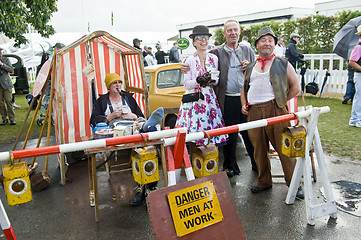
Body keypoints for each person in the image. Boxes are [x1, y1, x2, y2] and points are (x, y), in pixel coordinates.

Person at [181, 20, 257, 177]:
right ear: (224, 34)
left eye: (235, 30)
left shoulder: (246, 50)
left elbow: (256, 67)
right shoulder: (216, 52)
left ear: (240, 31)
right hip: (222, 98)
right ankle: (223, 167)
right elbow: (188, 81)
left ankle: (257, 164)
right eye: (229, 30)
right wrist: (195, 77)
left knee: (250, 133)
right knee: (228, 135)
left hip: (244, 98)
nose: (232, 33)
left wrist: (248, 66)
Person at [241, 26, 303, 199]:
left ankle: (295, 183)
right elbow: (243, 88)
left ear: (274, 44)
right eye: (263, 40)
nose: (266, 43)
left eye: (270, 40)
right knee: (259, 150)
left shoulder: (282, 63)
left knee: (284, 149)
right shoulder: (251, 65)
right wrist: (243, 104)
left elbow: (296, 87)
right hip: (253, 112)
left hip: (276, 110)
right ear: (257, 45)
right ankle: (264, 181)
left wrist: (280, 102)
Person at [90, 73, 164, 206]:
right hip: (116, 130)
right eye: (114, 83)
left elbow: (139, 114)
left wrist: (133, 116)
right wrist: (111, 116)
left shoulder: (128, 98)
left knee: (146, 144)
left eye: (119, 82)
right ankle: (142, 190)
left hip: (133, 126)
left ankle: (150, 188)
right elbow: (94, 120)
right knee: (139, 150)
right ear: (108, 86)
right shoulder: (102, 101)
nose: (118, 85)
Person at [176, 25, 228, 147]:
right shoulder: (189, 60)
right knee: (194, 134)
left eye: (205, 37)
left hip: (209, 98)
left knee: (210, 131)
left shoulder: (213, 58)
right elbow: (187, 84)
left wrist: (211, 80)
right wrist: (198, 81)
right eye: (199, 38)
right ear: (194, 42)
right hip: (195, 100)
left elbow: (216, 80)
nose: (203, 40)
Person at [348, 25, 361, 128]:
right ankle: (355, 119)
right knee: (359, 97)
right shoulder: (358, 47)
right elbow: (352, 62)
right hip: (359, 75)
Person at [0, 47, 16, 125]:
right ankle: (4, 119)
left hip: (6, 84)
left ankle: (12, 119)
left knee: (8, 101)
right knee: (1, 103)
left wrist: (2, 65)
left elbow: (11, 70)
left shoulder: (5, 60)